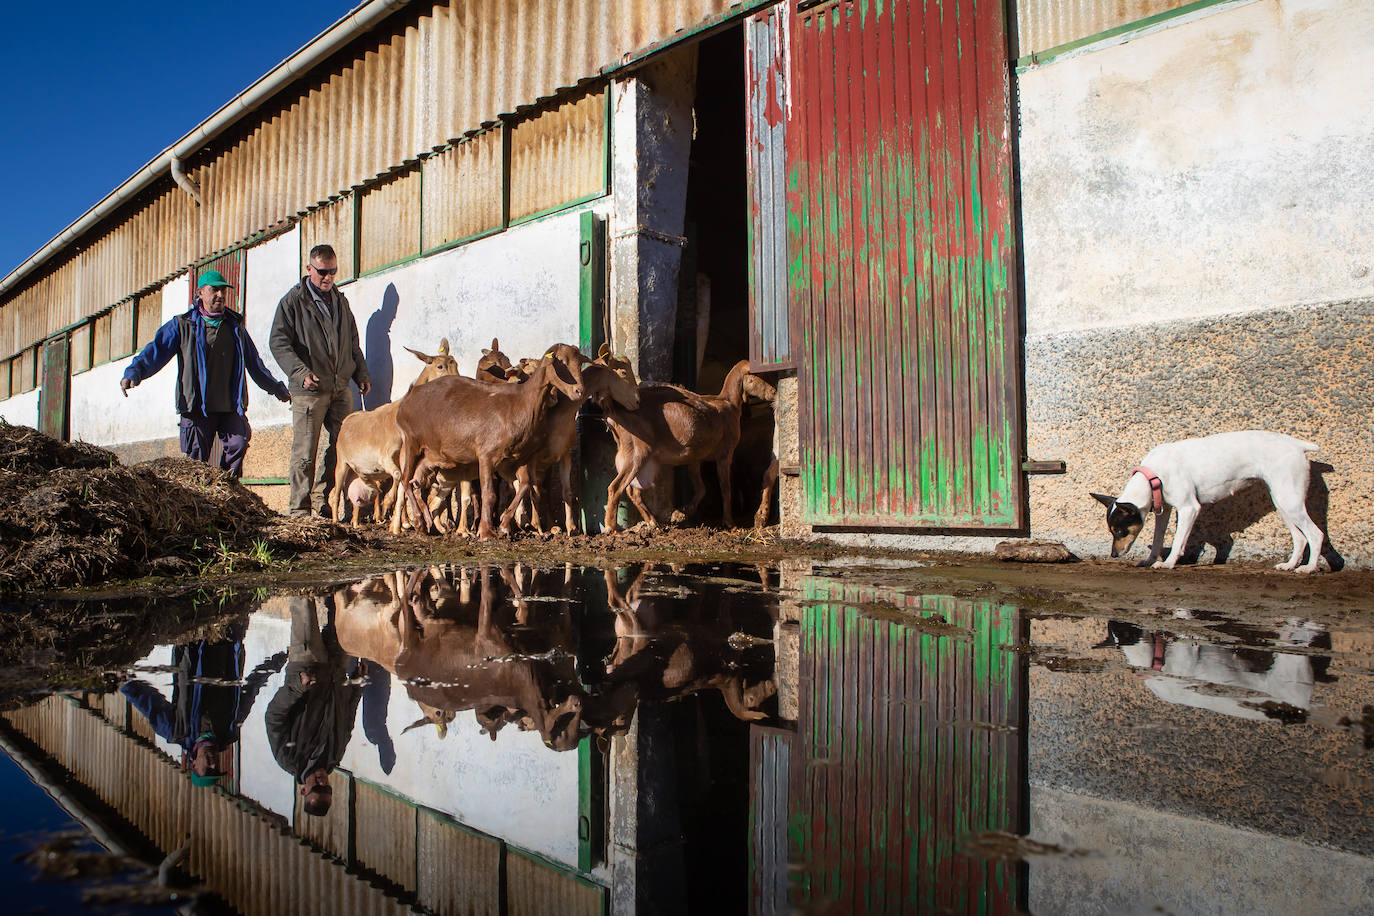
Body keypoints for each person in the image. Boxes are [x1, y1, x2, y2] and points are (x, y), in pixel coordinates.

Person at [120, 269, 290, 478]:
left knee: (238, 443)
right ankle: (198, 501)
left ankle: (226, 488)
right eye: (214, 290)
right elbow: (156, 350)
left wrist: (276, 388)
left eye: (223, 290)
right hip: (197, 407)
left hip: (229, 405)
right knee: (196, 461)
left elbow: (255, 364)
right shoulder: (183, 325)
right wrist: (135, 372)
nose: (220, 295)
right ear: (200, 293)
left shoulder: (234, 327)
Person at [270, 244, 371, 518]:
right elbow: (278, 343)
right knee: (305, 452)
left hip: (340, 387)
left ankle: (324, 501)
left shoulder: (340, 301)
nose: (328, 278)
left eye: (333, 272)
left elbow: (352, 342)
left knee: (344, 447)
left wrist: (361, 372)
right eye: (322, 272)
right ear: (309, 269)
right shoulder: (292, 302)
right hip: (309, 390)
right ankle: (299, 510)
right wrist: (301, 373)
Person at [121, 622, 286, 788]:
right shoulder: (229, 731)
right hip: (227, 644)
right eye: (216, 769)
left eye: (208, 770)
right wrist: (273, 665)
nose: (213, 765)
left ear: (193, 765)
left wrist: (126, 684)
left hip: (192, 646)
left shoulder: (178, 732)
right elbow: (250, 691)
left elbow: (150, 705)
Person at [264, 597, 365, 817]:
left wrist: (297, 687)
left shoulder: (289, 758)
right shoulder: (334, 757)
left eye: (316, 788)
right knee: (344, 608)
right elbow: (347, 719)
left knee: (303, 602)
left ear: (303, 790)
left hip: (307, 666)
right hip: (336, 671)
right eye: (326, 788)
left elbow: (274, 717)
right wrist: (357, 684)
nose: (321, 782)